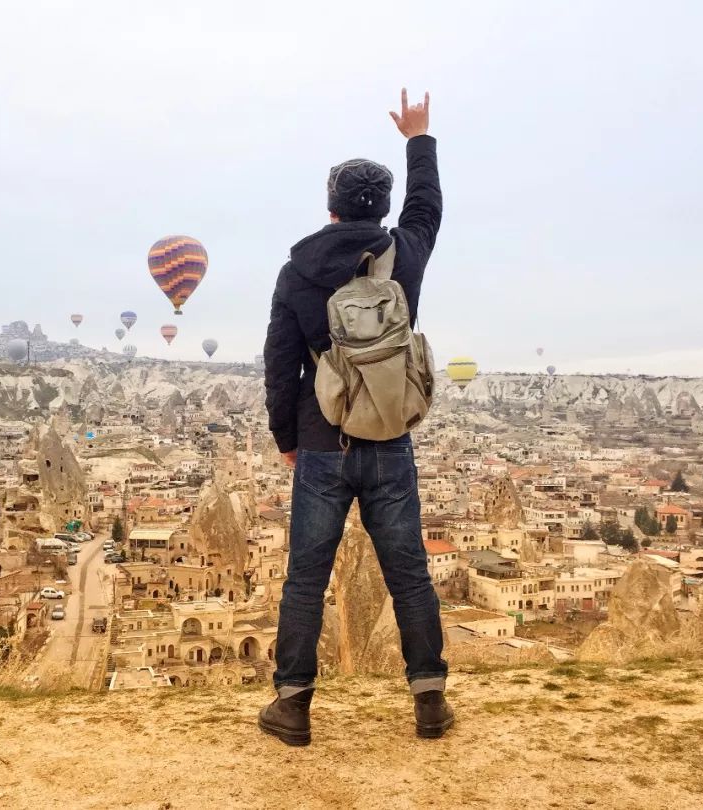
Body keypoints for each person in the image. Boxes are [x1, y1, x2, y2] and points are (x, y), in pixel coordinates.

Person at [259, 88, 452, 746]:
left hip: (321, 442)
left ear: (331, 205)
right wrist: (419, 139)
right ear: (383, 206)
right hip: (391, 435)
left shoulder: (298, 271)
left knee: (306, 579)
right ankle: (429, 702)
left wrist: (287, 437)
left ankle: (292, 708)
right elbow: (428, 209)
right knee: (410, 574)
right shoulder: (406, 254)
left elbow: (281, 362)